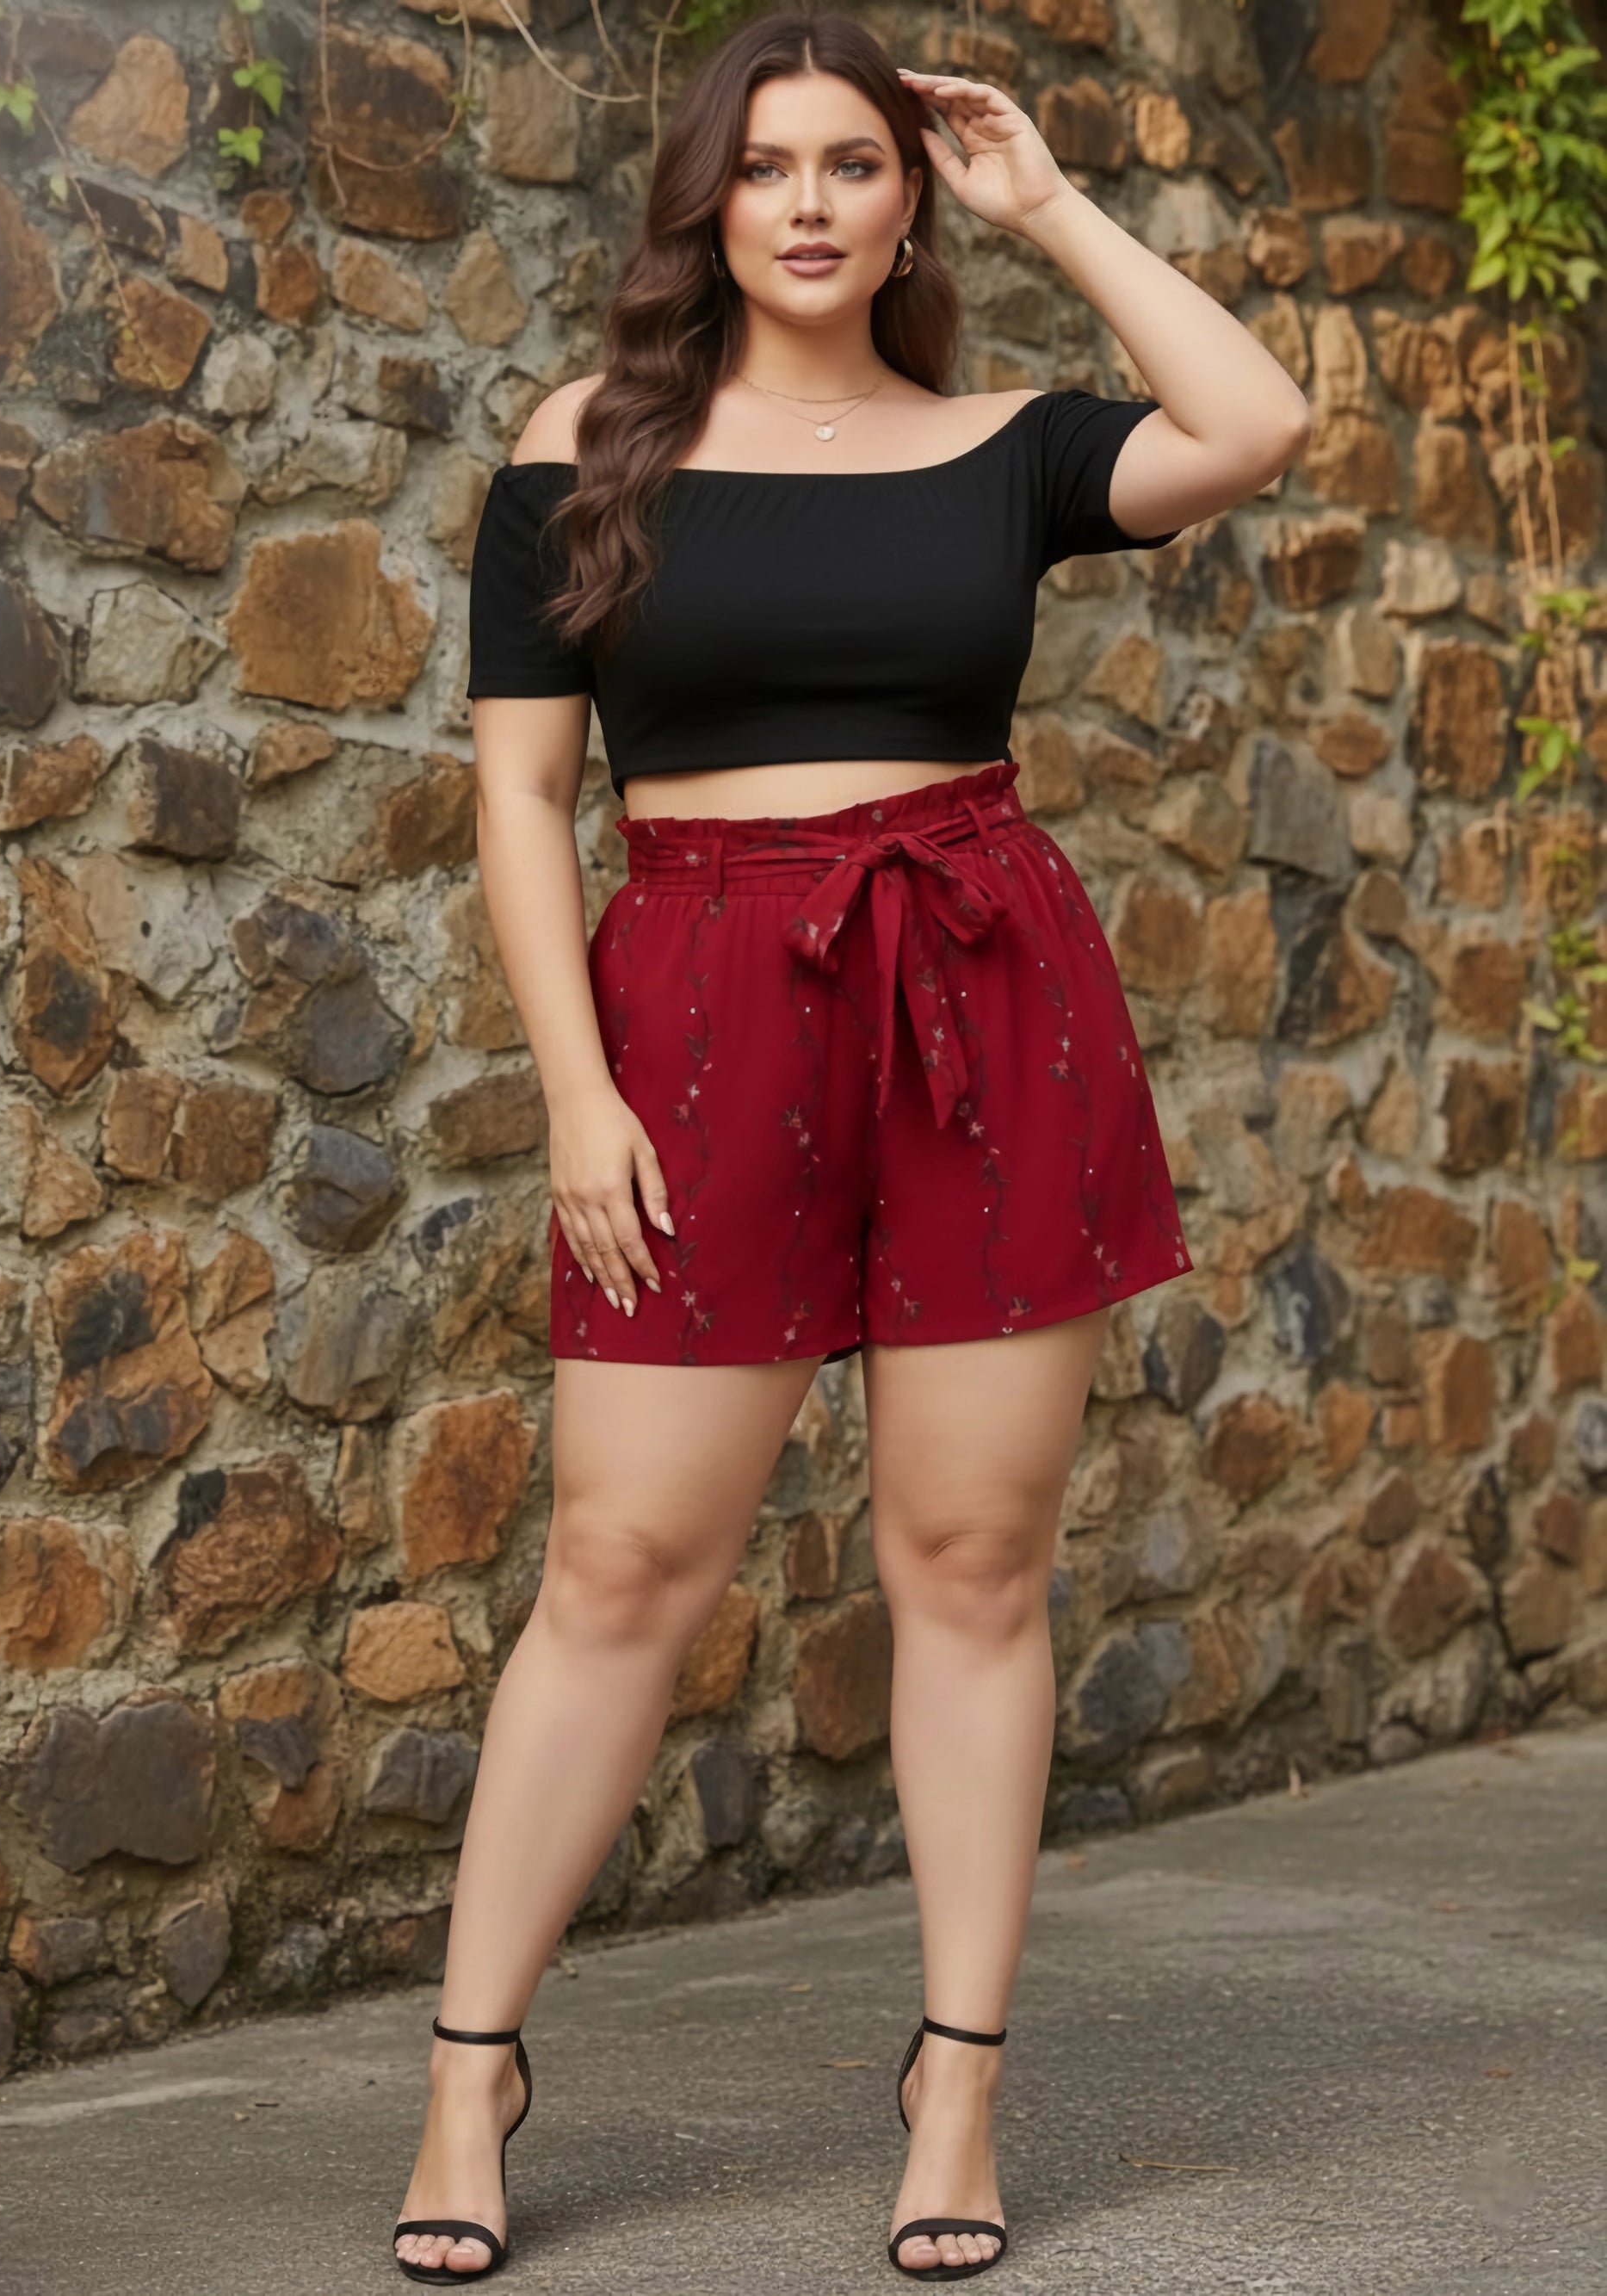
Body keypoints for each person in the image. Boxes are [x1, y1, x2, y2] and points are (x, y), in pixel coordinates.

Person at [392, 9, 1310, 2283]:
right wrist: (578, 1088)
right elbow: (520, 792)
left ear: (911, 202)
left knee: (973, 1560)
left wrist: (1054, 202)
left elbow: (1255, 422)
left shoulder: (1002, 445)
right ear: (705, 202)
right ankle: (469, 2072)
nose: (808, 203)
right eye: (767, 165)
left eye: (855, 165)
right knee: (621, 1561)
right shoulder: (585, 444)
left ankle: (955, 2084)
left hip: (980, 980)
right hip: (696, 1001)